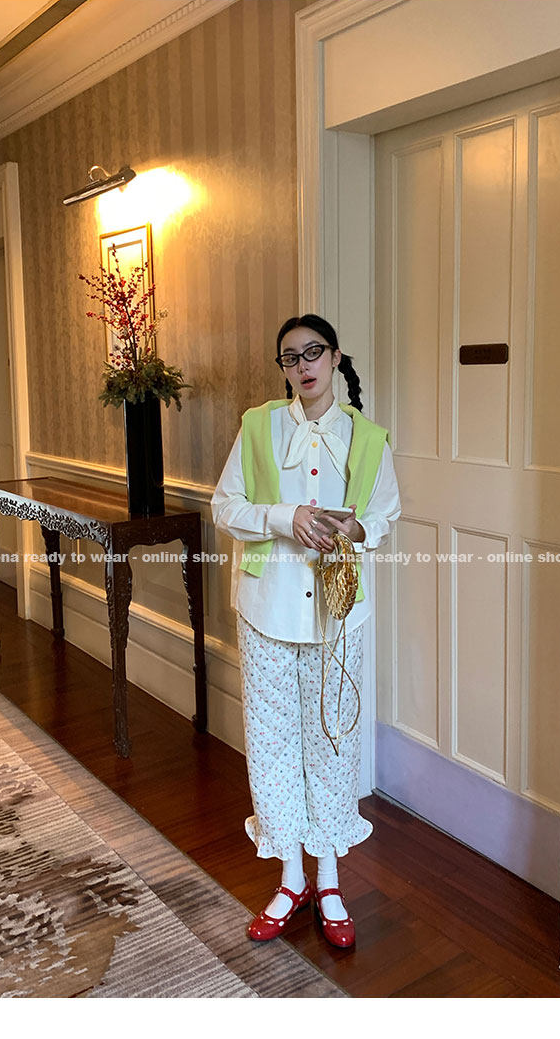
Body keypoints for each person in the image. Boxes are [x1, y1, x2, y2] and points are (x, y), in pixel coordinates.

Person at [210, 313, 401, 948]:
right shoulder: (257, 426)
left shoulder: (367, 437)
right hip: (268, 608)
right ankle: (290, 878)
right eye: (290, 357)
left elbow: (385, 513)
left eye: (313, 352)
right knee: (272, 746)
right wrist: (283, 516)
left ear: (336, 357)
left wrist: (357, 529)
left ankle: (329, 881)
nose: (302, 366)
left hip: (340, 615)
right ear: (284, 369)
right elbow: (225, 507)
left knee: (332, 744)